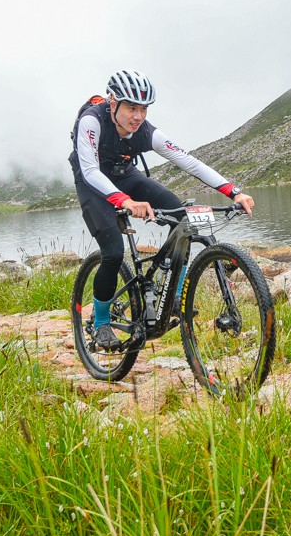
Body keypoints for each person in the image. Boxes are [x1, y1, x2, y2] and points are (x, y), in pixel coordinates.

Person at [70, 69, 254, 350]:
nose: (138, 117)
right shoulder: (91, 121)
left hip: (124, 173)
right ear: (112, 103)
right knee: (113, 252)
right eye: (131, 108)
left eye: (143, 109)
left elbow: (188, 161)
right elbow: (91, 171)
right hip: (92, 181)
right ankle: (101, 322)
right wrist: (125, 201)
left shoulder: (145, 131)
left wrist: (234, 191)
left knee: (182, 218)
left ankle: (176, 297)